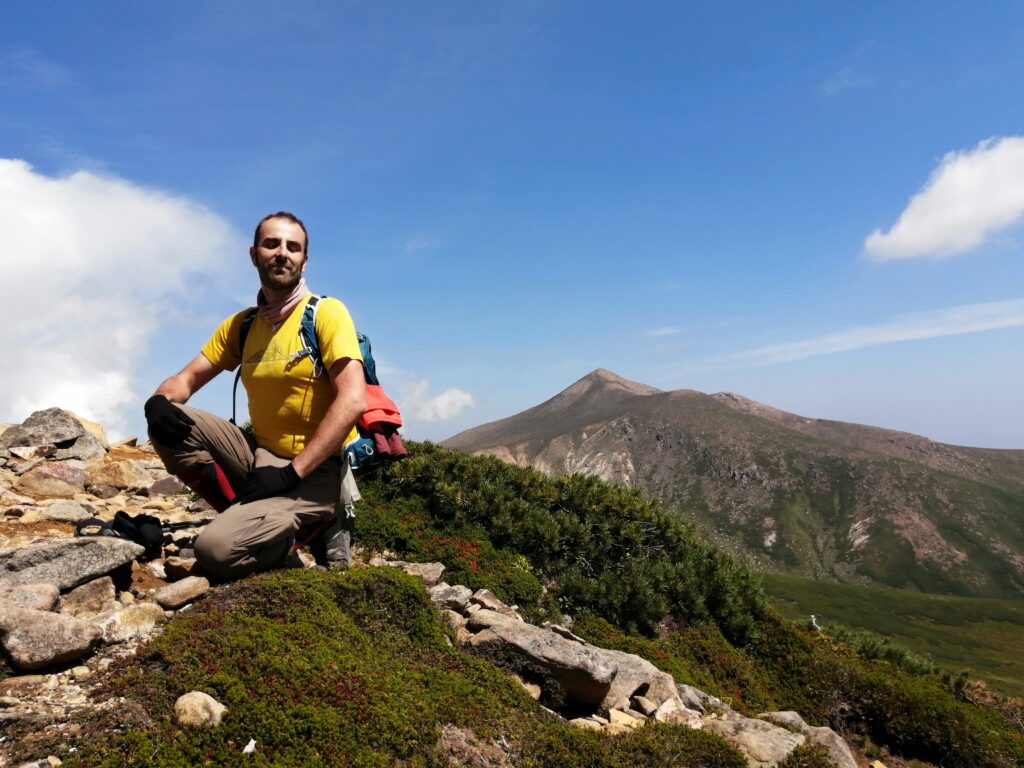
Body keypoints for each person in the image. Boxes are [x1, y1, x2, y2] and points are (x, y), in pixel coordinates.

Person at [144, 211, 366, 579]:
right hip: (259, 458)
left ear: (304, 260)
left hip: (315, 471)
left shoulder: (326, 313)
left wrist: (291, 474)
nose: (282, 253)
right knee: (168, 422)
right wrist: (158, 402)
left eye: (293, 247)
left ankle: (322, 521)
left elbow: (353, 400)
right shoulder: (244, 325)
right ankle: (248, 515)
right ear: (254, 254)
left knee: (214, 552)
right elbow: (186, 380)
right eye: (272, 244)